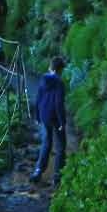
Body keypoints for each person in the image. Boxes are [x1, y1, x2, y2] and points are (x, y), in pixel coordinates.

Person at [30, 57, 67, 187]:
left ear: (50, 67)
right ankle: (57, 175)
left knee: (46, 142)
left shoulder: (43, 80)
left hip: (44, 115)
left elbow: (38, 99)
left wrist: (37, 116)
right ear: (60, 69)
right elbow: (58, 103)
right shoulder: (59, 83)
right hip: (56, 118)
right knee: (61, 146)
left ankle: (38, 170)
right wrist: (62, 121)